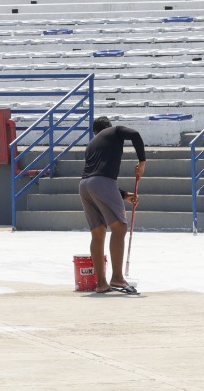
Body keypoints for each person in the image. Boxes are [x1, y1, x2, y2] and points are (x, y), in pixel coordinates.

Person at [78, 116, 146, 293]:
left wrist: (123, 195)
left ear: (95, 132)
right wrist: (142, 162)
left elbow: (95, 175)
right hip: (102, 183)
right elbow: (136, 134)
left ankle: (101, 283)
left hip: (85, 186)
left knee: (98, 233)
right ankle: (117, 278)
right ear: (108, 127)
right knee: (119, 228)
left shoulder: (92, 144)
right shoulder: (115, 131)